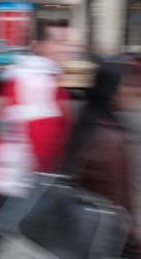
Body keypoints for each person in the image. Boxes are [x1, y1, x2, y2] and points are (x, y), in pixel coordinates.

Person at [0, 19, 73, 259]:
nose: (66, 48)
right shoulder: (36, 81)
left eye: (67, 41)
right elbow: (41, 139)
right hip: (21, 185)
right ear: (39, 45)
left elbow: (1, 130)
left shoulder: (33, 77)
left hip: (15, 182)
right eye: (59, 41)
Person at [62, 59, 141, 258]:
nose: (134, 89)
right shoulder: (110, 139)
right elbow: (120, 202)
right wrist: (133, 247)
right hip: (107, 243)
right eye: (128, 83)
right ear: (112, 90)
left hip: (81, 237)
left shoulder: (87, 123)